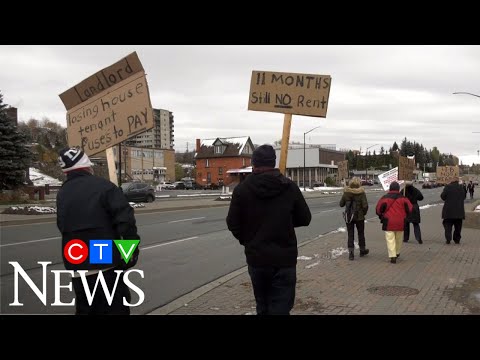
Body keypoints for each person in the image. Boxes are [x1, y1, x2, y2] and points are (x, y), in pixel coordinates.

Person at [226, 144, 311, 315]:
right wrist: (284, 221)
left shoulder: (242, 190)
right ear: (273, 162)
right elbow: (305, 218)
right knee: (281, 308)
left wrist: (248, 240)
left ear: (254, 164)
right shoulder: (289, 187)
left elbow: (232, 222)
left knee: (263, 306)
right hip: (284, 259)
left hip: (257, 258)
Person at [56, 147, 140, 315]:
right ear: (88, 166)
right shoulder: (104, 187)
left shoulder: (63, 193)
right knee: (115, 309)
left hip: (77, 261)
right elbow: (126, 223)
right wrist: (130, 254)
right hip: (104, 261)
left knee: (86, 310)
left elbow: (62, 226)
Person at [376, 181, 413, 264]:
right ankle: (397, 252)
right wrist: (406, 216)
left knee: (390, 239)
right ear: (398, 189)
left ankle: (392, 255)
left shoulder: (385, 198)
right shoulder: (403, 198)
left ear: (390, 188)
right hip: (401, 221)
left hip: (388, 222)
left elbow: (378, 209)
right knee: (399, 238)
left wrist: (381, 215)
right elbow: (410, 209)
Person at [339, 177, 369, 260]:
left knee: (350, 234)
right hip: (359, 217)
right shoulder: (361, 193)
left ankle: (351, 253)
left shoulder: (346, 192)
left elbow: (341, 204)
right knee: (361, 233)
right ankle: (362, 250)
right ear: (359, 184)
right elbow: (365, 205)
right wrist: (363, 213)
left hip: (349, 217)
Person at [441, 176, 466, 244]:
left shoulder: (447, 187)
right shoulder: (461, 188)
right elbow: (464, 197)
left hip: (448, 211)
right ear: (457, 181)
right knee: (458, 227)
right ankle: (457, 240)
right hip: (459, 211)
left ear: (451, 181)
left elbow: (443, 197)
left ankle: (448, 238)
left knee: (447, 225)